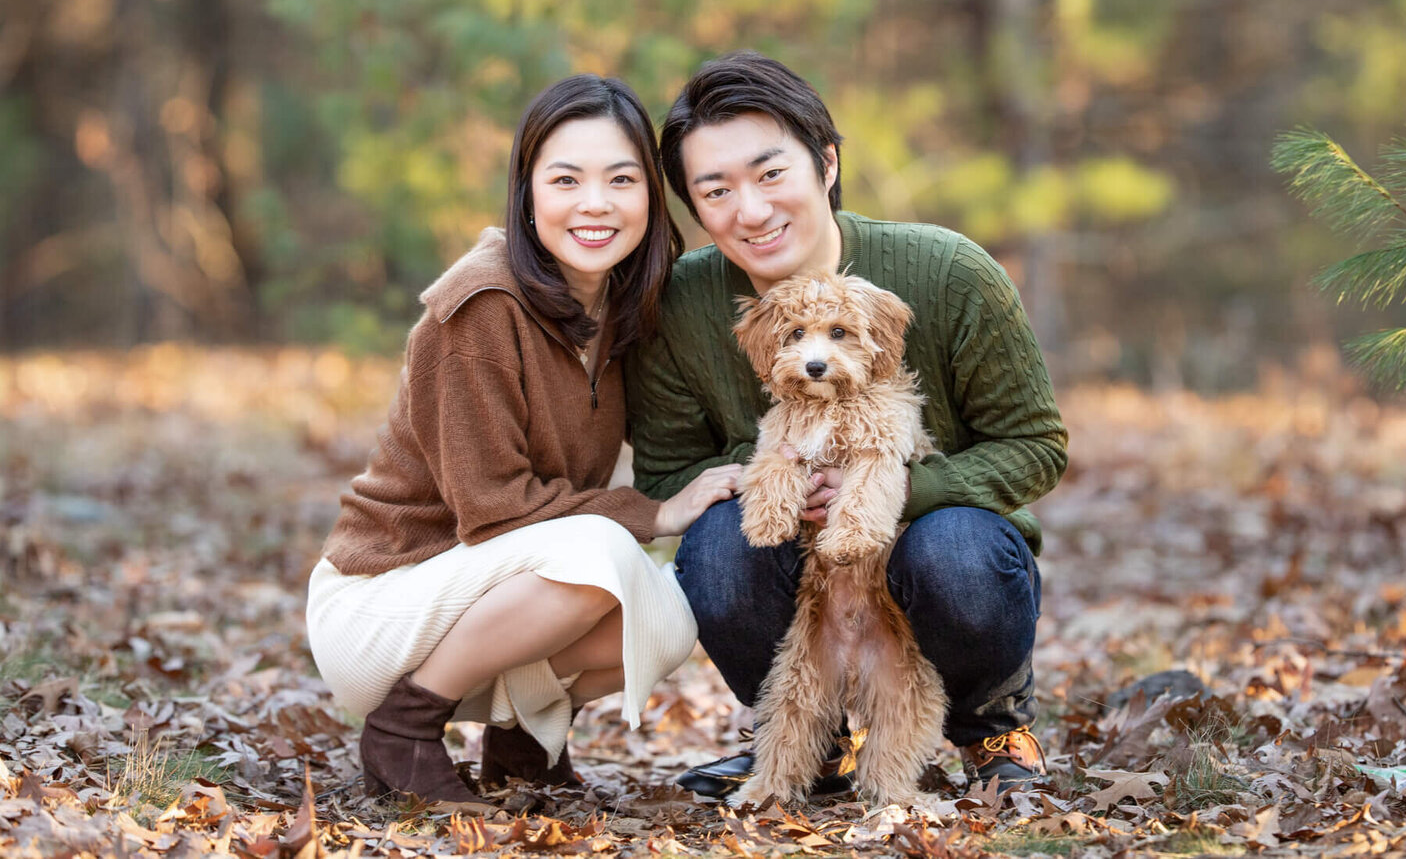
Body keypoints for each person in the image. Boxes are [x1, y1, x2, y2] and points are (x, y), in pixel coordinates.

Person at [626, 51, 1069, 800]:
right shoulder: (679, 309)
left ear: (826, 163)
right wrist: (779, 472)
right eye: (716, 190)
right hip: (798, 565)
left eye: (771, 174)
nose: (752, 210)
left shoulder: (950, 272)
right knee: (717, 551)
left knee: (956, 552)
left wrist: (899, 485)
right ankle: (814, 746)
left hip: (938, 541)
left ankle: (991, 725)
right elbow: (667, 474)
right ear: (694, 208)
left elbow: (1037, 445)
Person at [305, 75, 740, 804]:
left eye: (622, 179)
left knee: (669, 614)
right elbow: (493, 509)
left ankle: (524, 738)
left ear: (651, 198)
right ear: (527, 191)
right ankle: (405, 728)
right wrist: (655, 512)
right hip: (380, 604)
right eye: (566, 179)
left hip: (476, 591)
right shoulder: (480, 306)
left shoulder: (617, 306)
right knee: (601, 554)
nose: (595, 203)